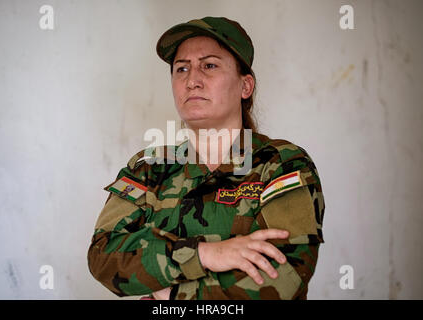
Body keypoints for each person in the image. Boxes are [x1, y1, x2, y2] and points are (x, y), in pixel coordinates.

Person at [87, 16, 325, 300]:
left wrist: (171, 295)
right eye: (181, 69)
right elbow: (103, 256)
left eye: (209, 66)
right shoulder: (148, 168)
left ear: (245, 86)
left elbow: (283, 278)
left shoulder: (280, 163)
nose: (192, 81)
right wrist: (204, 255)